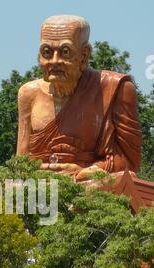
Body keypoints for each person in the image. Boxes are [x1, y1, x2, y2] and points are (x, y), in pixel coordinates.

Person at [17, 15, 142, 181]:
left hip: (90, 190)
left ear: (84, 56)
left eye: (65, 52)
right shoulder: (28, 94)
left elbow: (130, 162)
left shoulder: (115, 89)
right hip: (38, 188)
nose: (54, 61)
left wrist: (87, 171)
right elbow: (19, 164)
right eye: (47, 52)